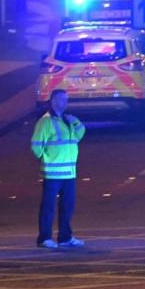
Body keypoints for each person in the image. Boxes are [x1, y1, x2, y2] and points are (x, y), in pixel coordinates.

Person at [32, 89, 86, 249]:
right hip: (52, 173)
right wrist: (47, 158)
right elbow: (36, 146)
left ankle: (65, 237)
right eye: (62, 99)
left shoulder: (67, 120)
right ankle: (44, 238)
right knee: (49, 206)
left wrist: (75, 122)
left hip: (69, 172)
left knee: (67, 206)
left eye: (66, 100)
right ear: (53, 101)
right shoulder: (45, 122)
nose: (65, 103)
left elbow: (79, 135)